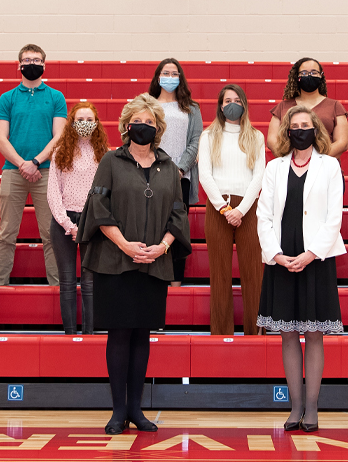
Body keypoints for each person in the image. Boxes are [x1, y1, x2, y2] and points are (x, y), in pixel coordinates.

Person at [78, 94, 190, 434]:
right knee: (119, 334)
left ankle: (137, 410)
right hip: (115, 261)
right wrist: (125, 244)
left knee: (142, 336)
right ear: (127, 127)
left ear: (158, 128)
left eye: (150, 122)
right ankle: (118, 411)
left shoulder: (170, 168)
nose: (143, 126)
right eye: (137, 121)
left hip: (154, 262)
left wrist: (161, 247)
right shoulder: (111, 161)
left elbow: (178, 214)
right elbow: (97, 208)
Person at [257, 106, 346, 432]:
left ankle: (312, 409)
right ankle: (294, 408)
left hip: (316, 259)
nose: (300, 130)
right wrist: (276, 254)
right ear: (287, 132)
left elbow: (334, 217)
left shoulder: (330, 166)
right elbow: (264, 216)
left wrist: (310, 254)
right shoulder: (274, 168)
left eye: (305, 125)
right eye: (294, 126)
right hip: (282, 259)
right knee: (288, 335)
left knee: (314, 334)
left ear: (315, 130)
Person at [0, 44, 67, 286]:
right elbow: (0, 138)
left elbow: (59, 137)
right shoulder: (7, 98)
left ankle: (57, 288)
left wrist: (35, 162)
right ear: (19, 65)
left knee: (51, 235)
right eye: (27, 60)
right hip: (13, 172)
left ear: (44, 65)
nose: (31, 63)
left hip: (46, 173)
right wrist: (23, 164)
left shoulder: (56, 97)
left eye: (36, 60)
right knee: (6, 234)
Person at [199, 85, 266, 336]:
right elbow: (205, 175)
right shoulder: (209, 136)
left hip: (248, 208)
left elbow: (259, 176)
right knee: (219, 275)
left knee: (253, 274)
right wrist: (225, 209)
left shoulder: (256, 137)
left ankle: (256, 332)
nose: (232, 104)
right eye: (227, 100)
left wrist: (241, 210)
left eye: (237, 100)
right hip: (218, 208)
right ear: (220, 105)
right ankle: (221, 332)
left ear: (244, 104)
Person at [48, 102, 110, 335]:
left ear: (96, 123)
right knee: (66, 283)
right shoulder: (59, 151)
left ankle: (89, 333)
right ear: (72, 123)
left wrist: (88, 223)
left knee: (89, 283)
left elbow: (105, 191)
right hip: (63, 221)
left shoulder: (104, 152)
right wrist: (67, 224)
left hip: (92, 221)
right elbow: (53, 192)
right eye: (80, 120)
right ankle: (70, 334)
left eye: (89, 120)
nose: (85, 124)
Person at [148, 58, 201, 287]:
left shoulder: (191, 108)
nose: (170, 76)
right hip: (151, 174)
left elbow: (195, 140)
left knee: (177, 227)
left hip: (181, 176)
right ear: (158, 76)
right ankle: (153, 277)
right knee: (152, 225)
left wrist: (180, 169)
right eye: (165, 72)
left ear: (180, 77)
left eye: (174, 73)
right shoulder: (147, 104)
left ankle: (176, 280)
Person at [267, 57, 348, 159]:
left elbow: (342, 142)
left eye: (314, 72)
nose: (309, 76)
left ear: (321, 76)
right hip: (290, 168)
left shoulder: (335, 106)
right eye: (304, 73)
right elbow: (271, 140)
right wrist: (293, 160)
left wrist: (315, 160)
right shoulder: (282, 106)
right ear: (297, 77)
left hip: (325, 170)